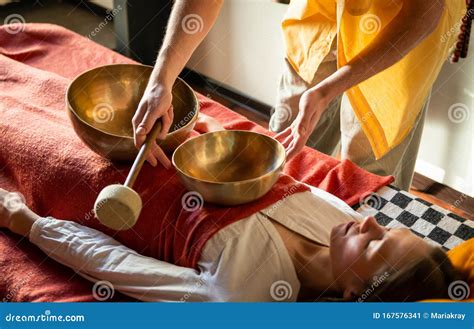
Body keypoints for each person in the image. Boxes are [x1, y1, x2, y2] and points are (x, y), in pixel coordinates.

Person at [132, 0, 464, 190]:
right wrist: (162, 78)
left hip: (401, 24)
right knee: (282, 156)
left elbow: (425, 12)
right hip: (321, 14)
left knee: (366, 181)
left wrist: (329, 89)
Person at [0, 187, 463, 302]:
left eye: (371, 248)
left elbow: (116, 265)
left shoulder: (244, 292)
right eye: (383, 227)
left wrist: (26, 221)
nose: (364, 223)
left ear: (350, 295)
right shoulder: (338, 218)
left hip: (107, 196)